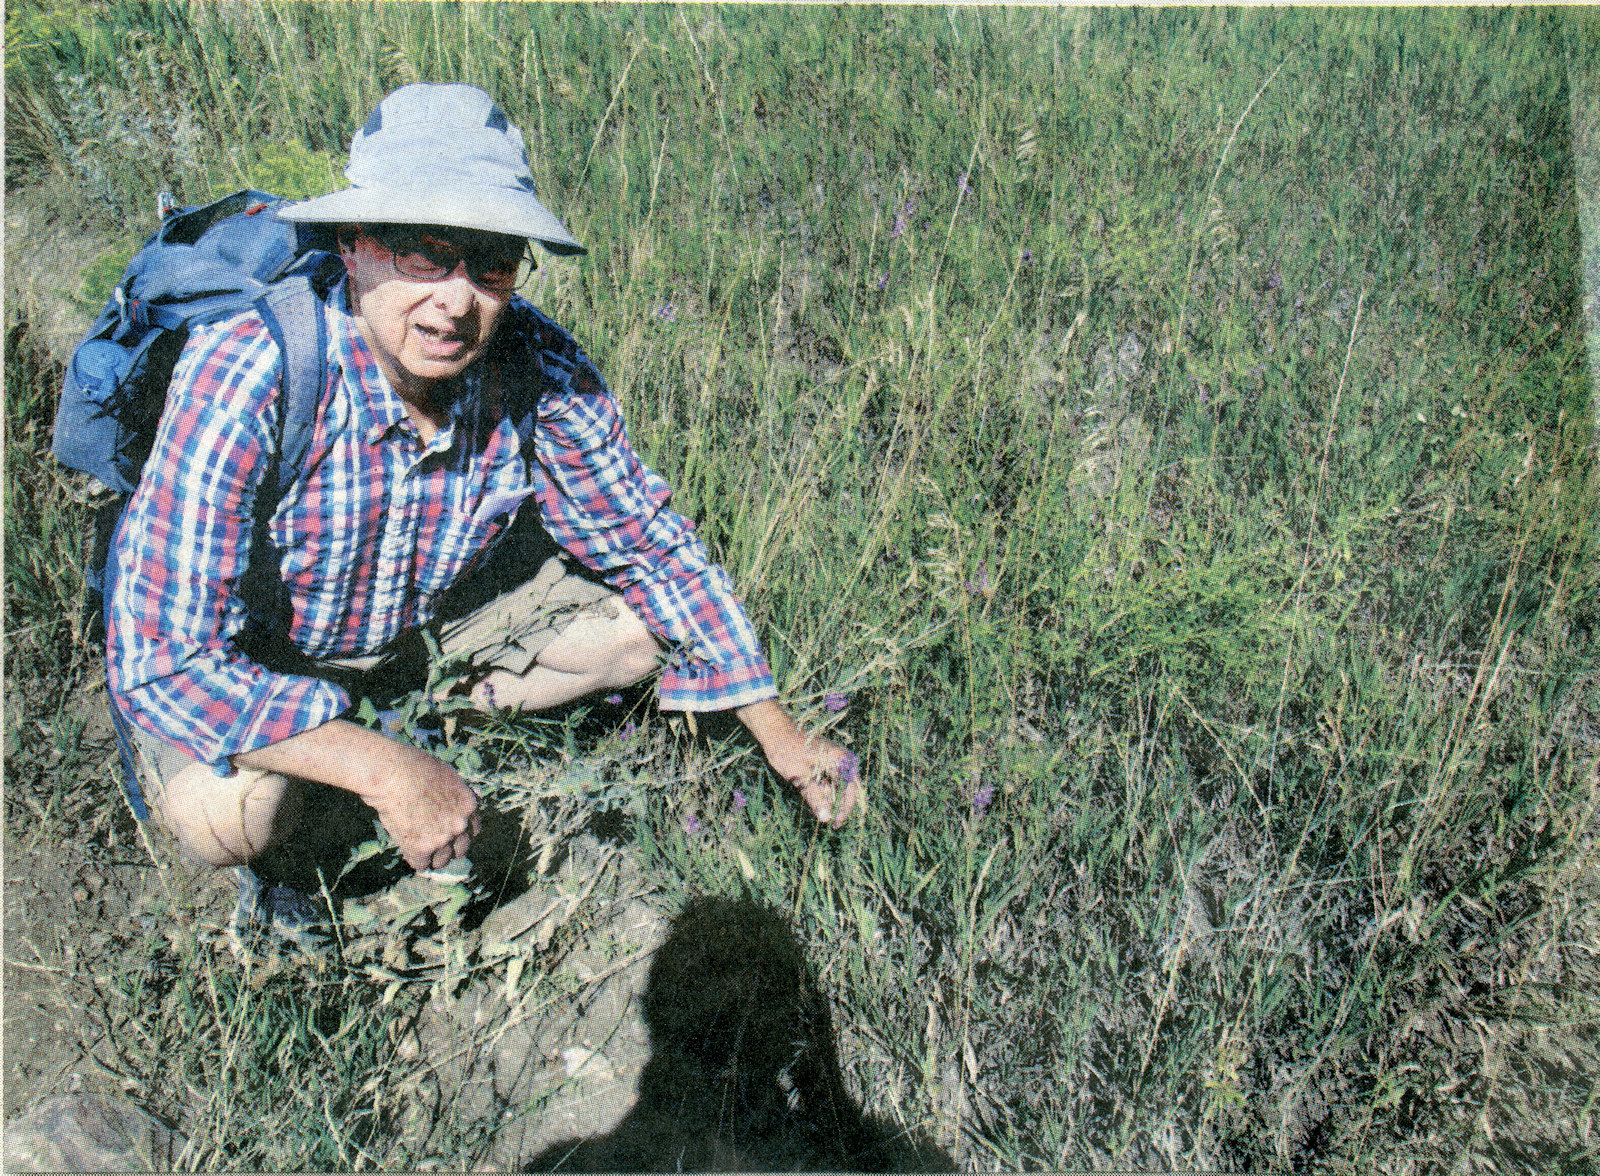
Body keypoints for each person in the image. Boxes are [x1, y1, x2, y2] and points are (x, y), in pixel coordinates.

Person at [105, 83, 858, 929]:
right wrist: (384, 771)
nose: (457, 300)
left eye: (490, 262)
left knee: (631, 638)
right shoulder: (254, 368)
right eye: (424, 255)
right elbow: (165, 663)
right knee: (229, 815)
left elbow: (648, 547)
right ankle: (310, 844)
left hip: (404, 642)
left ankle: (398, 733)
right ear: (353, 245)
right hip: (254, 659)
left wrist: (783, 738)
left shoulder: (534, 363)